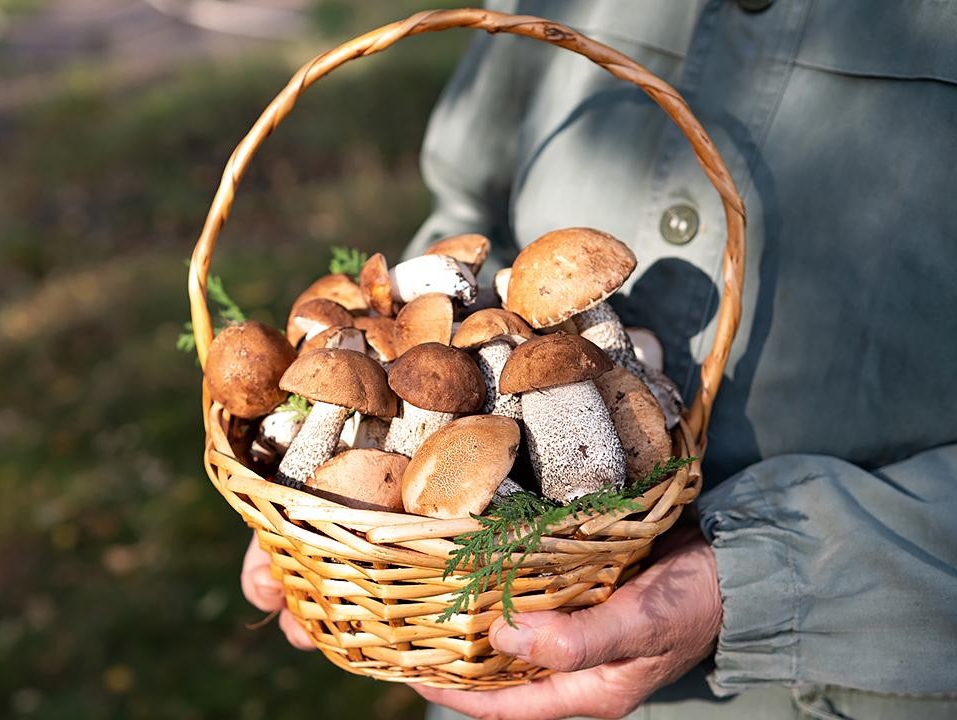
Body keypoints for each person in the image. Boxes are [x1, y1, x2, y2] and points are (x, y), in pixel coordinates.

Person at [242, 1, 957, 718]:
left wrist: (756, 579)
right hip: (477, 627)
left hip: (820, 683)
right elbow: (464, 202)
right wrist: (318, 521)